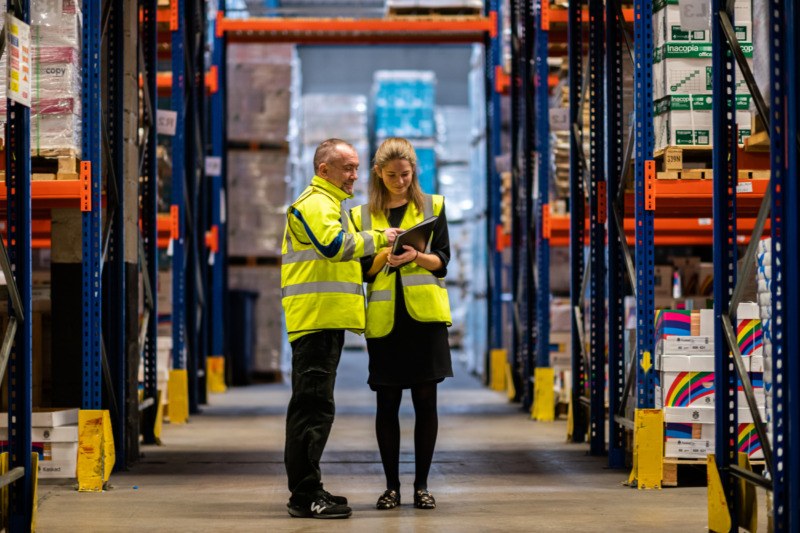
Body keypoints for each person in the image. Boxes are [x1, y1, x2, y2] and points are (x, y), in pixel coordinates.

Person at [281, 138, 402, 519]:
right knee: (311, 409)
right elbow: (335, 247)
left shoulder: (333, 206)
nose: (355, 175)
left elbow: (348, 263)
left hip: (326, 320)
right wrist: (380, 237)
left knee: (317, 408)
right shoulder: (315, 204)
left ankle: (310, 487)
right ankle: (303, 496)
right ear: (324, 171)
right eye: (347, 168)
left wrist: (382, 256)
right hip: (315, 320)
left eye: (355, 167)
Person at [350, 137, 453, 511]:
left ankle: (422, 486)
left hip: (425, 318)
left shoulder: (433, 206)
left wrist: (415, 256)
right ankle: (391, 487)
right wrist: (383, 258)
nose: (399, 182)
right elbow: (359, 269)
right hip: (386, 321)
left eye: (406, 175)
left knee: (426, 402)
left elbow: (443, 260)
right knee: (387, 403)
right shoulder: (361, 216)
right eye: (391, 176)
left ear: (415, 172)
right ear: (378, 173)